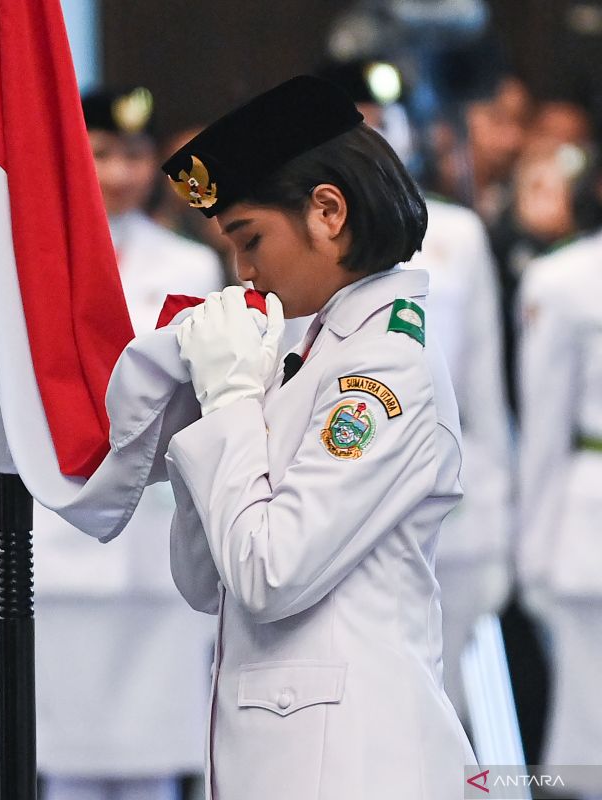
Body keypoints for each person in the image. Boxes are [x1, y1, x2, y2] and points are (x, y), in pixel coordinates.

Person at [161, 76, 475, 799]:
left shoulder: (382, 369)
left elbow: (271, 574)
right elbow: (205, 579)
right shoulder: (309, 354)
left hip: (355, 761)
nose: (243, 271)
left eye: (251, 239)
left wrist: (234, 403)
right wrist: (212, 413)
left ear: (328, 211)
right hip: (295, 755)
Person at [0, 86, 220, 800]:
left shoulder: (192, 266)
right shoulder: (28, 262)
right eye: (102, 153)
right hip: (60, 539)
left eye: (137, 155)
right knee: (66, 764)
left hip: (159, 546)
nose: (118, 172)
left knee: (156, 766)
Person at [317, 58, 515, 723]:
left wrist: (497, 531)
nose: (382, 132)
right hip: (339, 511)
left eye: (391, 119)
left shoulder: (457, 234)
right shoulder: (308, 240)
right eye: (362, 121)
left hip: (450, 520)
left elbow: (484, 396)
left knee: (452, 719)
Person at [516, 166, 602, 800]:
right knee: (588, 745)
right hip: (590, 524)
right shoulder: (565, 279)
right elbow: (543, 428)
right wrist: (533, 555)